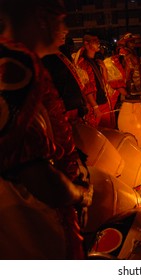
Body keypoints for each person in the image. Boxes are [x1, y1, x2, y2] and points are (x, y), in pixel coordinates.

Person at [0, 0, 92, 259]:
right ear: (43, 19)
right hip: (26, 227)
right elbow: (34, 173)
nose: (64, 28)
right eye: (61, 19)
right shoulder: (16, 64)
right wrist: (80, 196)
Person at [73, 34, 116, 128]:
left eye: (98, 41)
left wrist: (104, 69)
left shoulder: (96, 61)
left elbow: (104, 81)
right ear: (87, 44)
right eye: (95, 41)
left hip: (103, 101)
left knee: (108, 131)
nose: (98, 43)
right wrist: (95, 107)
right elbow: (86, 87)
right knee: (96, 133)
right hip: (94, 105)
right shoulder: (83, 62)